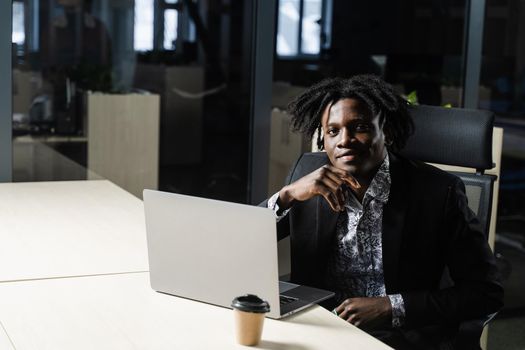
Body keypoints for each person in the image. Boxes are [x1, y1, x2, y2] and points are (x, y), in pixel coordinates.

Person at [263, 75, 503, 349]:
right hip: (317, 329)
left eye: (360, 127)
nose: (345, 140)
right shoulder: (307, 176)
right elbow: (243, 239)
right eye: (333, 131)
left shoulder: (438, 192)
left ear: (385, 132)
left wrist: (391, 307)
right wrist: (287, 195)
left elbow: (486, 293)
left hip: (398, 337)